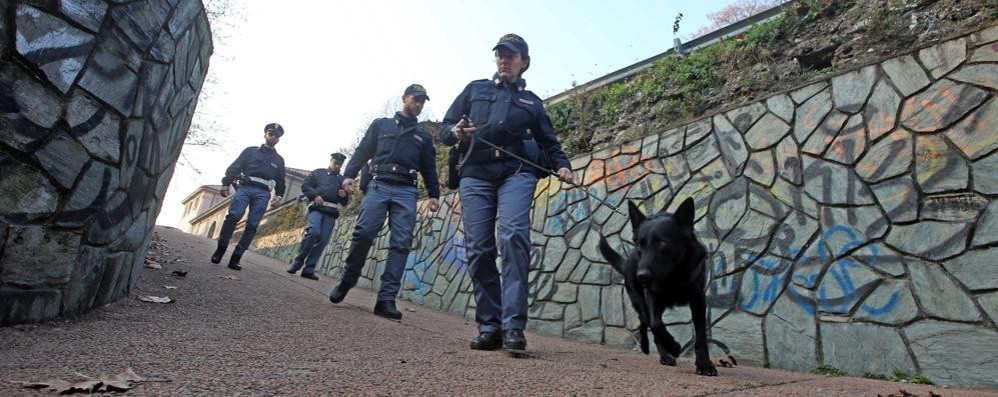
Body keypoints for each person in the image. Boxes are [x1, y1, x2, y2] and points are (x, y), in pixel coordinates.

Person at [440, 34, 573, 352]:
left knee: (513, 236)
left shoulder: (533, 103)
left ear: (523, 62)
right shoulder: (474, 89)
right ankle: (490, 326)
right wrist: (454, 132)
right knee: (479, 248)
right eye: (500, 54)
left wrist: (563, 165)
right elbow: (444, 127)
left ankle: (514, 325)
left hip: (517, 172)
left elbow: (549, 142)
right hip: (475, 173)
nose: (504, 60)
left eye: (512, 55)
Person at [328, 84, 441, 320]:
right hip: (379, 185)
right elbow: (361, 151)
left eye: (422, 101)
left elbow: (429, 167)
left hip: (406, 191)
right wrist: (349, 175)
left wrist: (433, 194)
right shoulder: (381, 125)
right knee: (363, 233)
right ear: (404, 98)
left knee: (401, 243)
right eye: (415, 99)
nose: (419, 104)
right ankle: (348, 280)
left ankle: (386, 299)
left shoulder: (423, 137)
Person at [210, 123, 288, 270]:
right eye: (271, 133)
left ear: (279, 139)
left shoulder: (279, 160)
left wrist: (279, 196)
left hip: (263, 193)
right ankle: (220, 250)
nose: (273, 137)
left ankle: (236, 257)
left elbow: (281, 181)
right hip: (245, 188)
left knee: (252, 224)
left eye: (276, 135)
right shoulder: (250, 152)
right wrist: (226, 183)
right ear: (265, 134)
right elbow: (235, 167)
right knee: (234, 216)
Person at [287, 153, 352, 280]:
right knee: (313, 232)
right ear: (331, 161)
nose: (337, 166)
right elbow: (305, 185)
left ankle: (309, 269)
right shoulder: (318, 173)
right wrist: (315, 195)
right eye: (335, 162)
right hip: (316, 208)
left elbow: (345, 201)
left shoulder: (342, 180)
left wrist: (344, 196)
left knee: (323, 241)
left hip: (331, 212)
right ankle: (298, 261)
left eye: (340, 164)